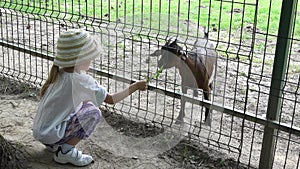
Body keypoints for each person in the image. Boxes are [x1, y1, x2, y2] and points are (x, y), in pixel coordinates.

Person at [32, 29, 147, 167]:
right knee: (93, 113)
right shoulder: (81, 80)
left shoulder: (59, 73)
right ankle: (66, 152)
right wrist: (135, 86)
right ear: (81, 59)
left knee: (82, 106)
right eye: (90, 56)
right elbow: (111, 99)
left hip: (41, 132)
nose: (92, 59)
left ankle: (55, 145)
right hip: (51, 133)